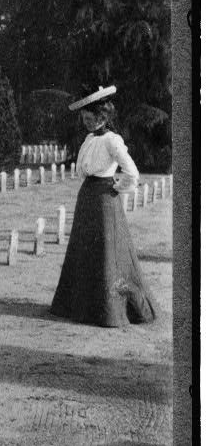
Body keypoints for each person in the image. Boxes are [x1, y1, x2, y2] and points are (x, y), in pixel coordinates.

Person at [50, 85, 156, 328]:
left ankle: (107, 310)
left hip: (105, 200)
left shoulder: (112, 141)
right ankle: (84, 307)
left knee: (106, 255)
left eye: (91, 119)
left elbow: (132, 172)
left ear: (102, 117)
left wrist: (117, 188)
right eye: (84, 119)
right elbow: (82, 170)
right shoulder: (89, 139)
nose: (87, 124)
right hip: (87, 197)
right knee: (85, 251)